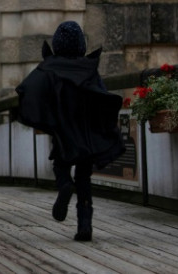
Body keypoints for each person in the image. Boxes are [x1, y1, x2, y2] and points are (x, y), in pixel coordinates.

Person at [15, 21, 125, 242]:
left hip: (62, 128)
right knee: (84, 177)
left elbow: (30, 88)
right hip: (84, 131)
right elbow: (100, 95)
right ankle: (85, 226)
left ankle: (65, 184)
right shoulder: (89, 68)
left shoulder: (49, 67)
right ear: (80, 45)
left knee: (61, 163)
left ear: (57, 44)